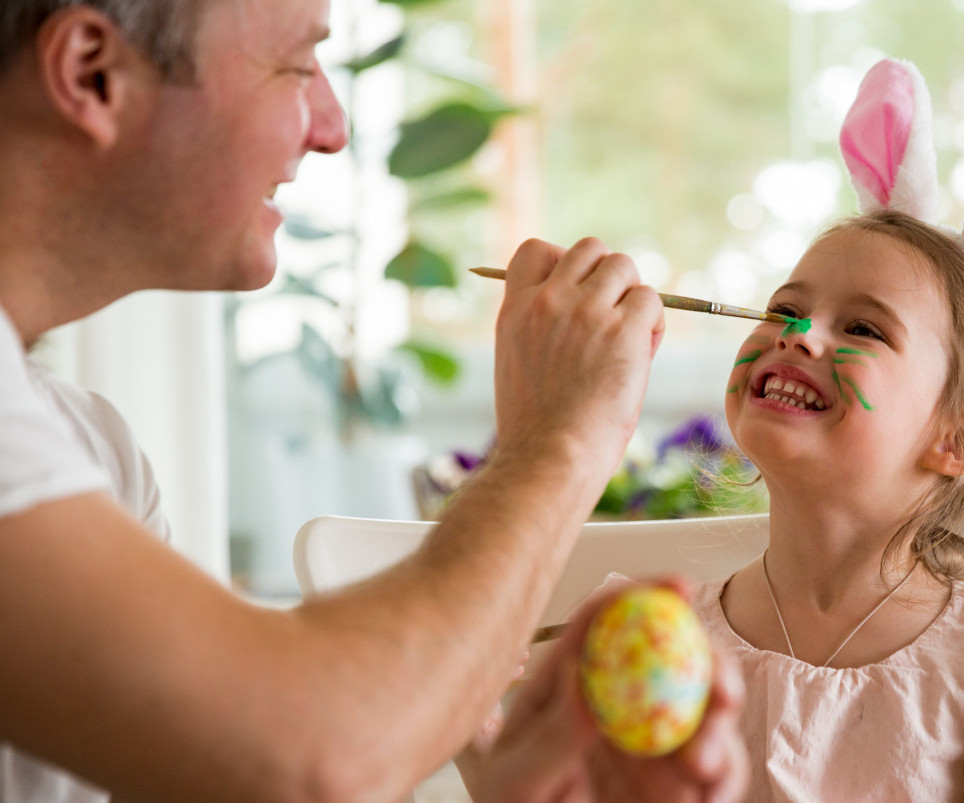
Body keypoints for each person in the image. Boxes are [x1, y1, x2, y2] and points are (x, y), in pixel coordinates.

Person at [0, 1, 747, 801]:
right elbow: (311, 747)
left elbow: (254, 769)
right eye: (296, 65)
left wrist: (516, 789)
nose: (331, 127)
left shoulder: (89, 449)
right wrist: (561, 439)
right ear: (91, 71)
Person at [567, 59, 964, 801]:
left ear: (957, 441)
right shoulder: (657, 641)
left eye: (861, 326)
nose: (797, 335)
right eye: (785, 308)